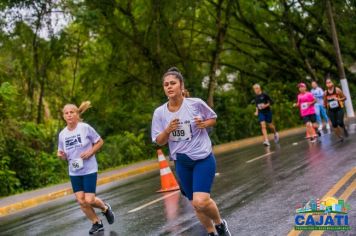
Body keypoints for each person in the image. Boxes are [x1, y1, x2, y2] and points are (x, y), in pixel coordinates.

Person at [151, 67, 230, 236]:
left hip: (203, 158)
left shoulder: (195, 104)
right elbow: (159, 142)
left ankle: (220, 224)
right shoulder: (159, 113)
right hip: (182, 162)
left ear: (181, 85)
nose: (169, 87)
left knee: (201, 201)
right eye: (166, 84)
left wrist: (204, 124)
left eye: (173, 83)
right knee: (195, 204)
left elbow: (213, 118)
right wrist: (167, 130)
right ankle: (211, 232)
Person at [57, 101, 115, 234]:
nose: (69, 115)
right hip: (74, 171)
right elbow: (63, 154)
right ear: (64, 116)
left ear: (77, 114)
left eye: (72, 112)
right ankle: (97, 223)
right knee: (81, 201)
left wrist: (90, 152)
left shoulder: (84, 128)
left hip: (89, 169)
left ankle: (105, 208)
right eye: (66, 113)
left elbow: (100, 142)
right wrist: (61, 155)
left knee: (89, 199)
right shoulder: (62, 134)